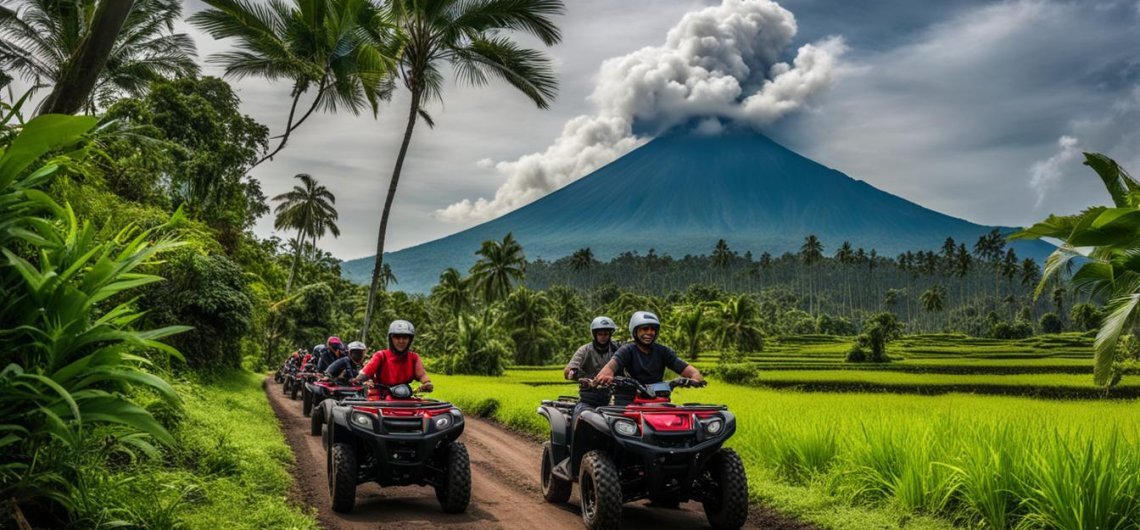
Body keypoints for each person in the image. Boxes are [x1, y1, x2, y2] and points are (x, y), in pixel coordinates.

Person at [593, 311, 704, 405]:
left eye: (653, 329)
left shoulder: (663, 351)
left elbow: (690, 371)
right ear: (635, 332)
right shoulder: (627, 350)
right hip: (628, 402)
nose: (650, 332)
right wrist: (607, 373)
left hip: (657, 401)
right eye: (645, 329)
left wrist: (694, 377)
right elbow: (611, 366)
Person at [351, 320, 433, 393]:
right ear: (391, 338)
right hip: (380, 396)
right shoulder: (381, 355)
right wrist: (357, 380)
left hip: (404, 395)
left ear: (410, 340)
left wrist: (427, 383)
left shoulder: (414, 357)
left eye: (405, 337)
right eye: (397, 337)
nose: (401, 341)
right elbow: (366, 373)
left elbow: (421, 375)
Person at [564, 316, 620, 408]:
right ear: (595, 334)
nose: (603, 337)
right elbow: (568, 371)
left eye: (606, 334)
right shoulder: (584, 350)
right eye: (600, 334)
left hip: (614, 395)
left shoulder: (617, 349)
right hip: (589, 395)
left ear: (610, 334)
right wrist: (573, 372)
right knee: (580, 413)